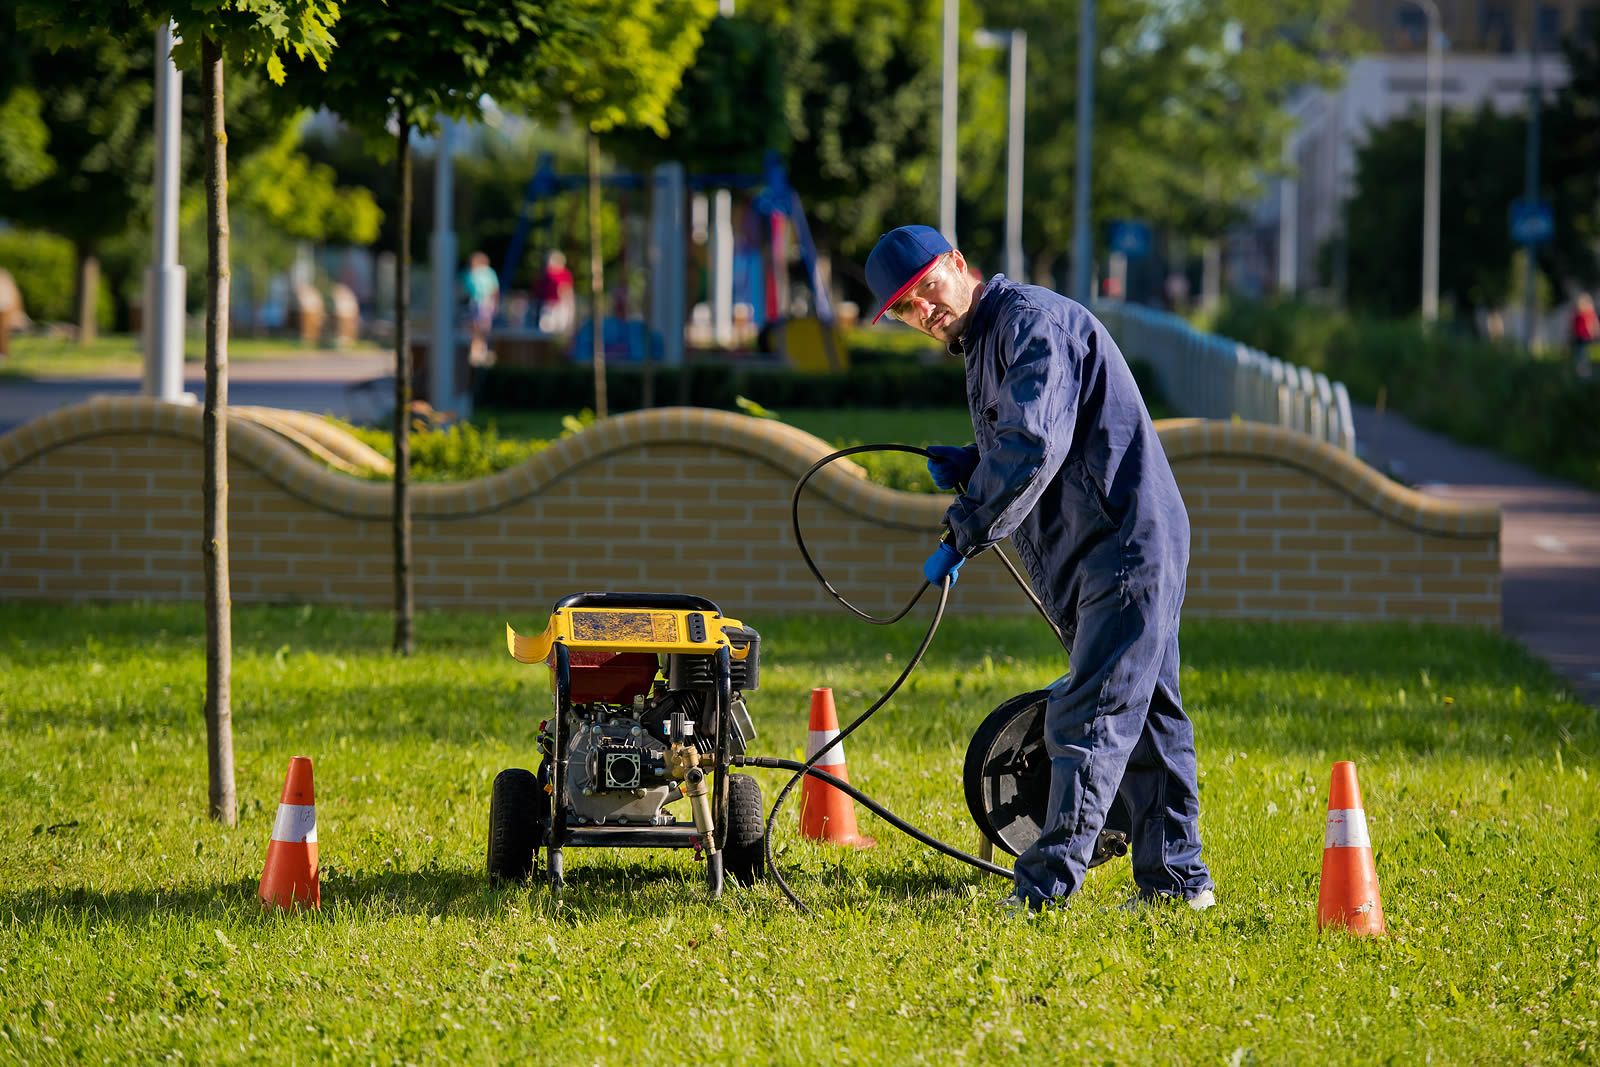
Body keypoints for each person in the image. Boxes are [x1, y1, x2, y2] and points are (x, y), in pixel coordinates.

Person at [863, 224, 1214, 913]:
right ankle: (1179, 883)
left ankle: (1044, 889)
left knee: (1089, 714)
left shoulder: (1029, 324)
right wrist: (972, 462)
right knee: (1147, 717)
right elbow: (1040, 431)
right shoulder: (988, 337)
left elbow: (1031, 446)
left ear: (959, 265)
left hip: (1121, 542)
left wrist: (964, 527)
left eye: (928, 288)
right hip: (1114, 540)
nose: (924, 311)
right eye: (906, 308)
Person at [462, 251, 500, 364]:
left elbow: (494, 290)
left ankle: (480, 351)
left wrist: (494, 303)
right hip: (477, 303)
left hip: (484, 303)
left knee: (481, 328)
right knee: (477, 327)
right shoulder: (473, 273)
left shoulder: (484, 273)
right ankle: (478, 350)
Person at [537, 250, 576, 336]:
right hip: (549, 304)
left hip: (560, 305)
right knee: (546, 327)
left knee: (561, 328)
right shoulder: (547, 274)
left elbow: (566, 290)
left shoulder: (564, 274)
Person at [1570, 293, 1598, 379]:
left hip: (1584, 337)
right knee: (1581, 356)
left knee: (1583, 355)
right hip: (1580, 337)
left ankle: (1584, 373)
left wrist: (1594, 332)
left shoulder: (1587, 313)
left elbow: (1592, 324)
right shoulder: (1579, 313)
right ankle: (1583, 373)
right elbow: (1573, 326)